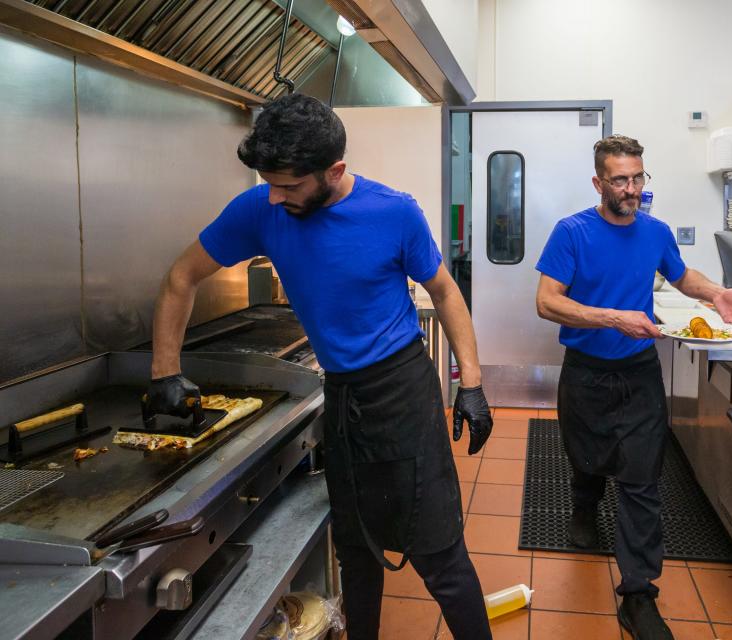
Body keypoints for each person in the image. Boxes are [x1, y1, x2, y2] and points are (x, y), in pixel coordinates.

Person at [145, 94, 494, 640]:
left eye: (289, 186)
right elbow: (180, 277)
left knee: (438, 553)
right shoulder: (262, 207)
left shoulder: (393, 212)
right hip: (343, 394)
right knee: (357, 551)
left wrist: (471, 384)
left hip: (402, 388)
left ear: (334, 170)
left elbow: (445, 292)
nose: (276, 198)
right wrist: (164, 372)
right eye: (269, 184)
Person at [534, 135, 732, 640]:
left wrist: (718, 293)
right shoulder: (571, 233)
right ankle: (584, 503)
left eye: (638, 177)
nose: (632, 189)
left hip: (638, 374)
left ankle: (638, 595)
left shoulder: (654, 233)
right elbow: (547, 302)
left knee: (642, 480)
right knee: (586, 457)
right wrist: (612, 317)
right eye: (620, 180)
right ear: (598, 182)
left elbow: (681, 277)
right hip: (586, 372)